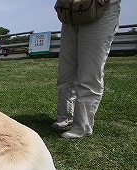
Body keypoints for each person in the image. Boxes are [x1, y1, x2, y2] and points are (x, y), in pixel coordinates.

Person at [52, 0, 121, 138]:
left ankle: (82, 126)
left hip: (100, 8)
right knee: (65, 74)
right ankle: (65, 116)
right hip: (70, 11)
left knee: (89, 73)